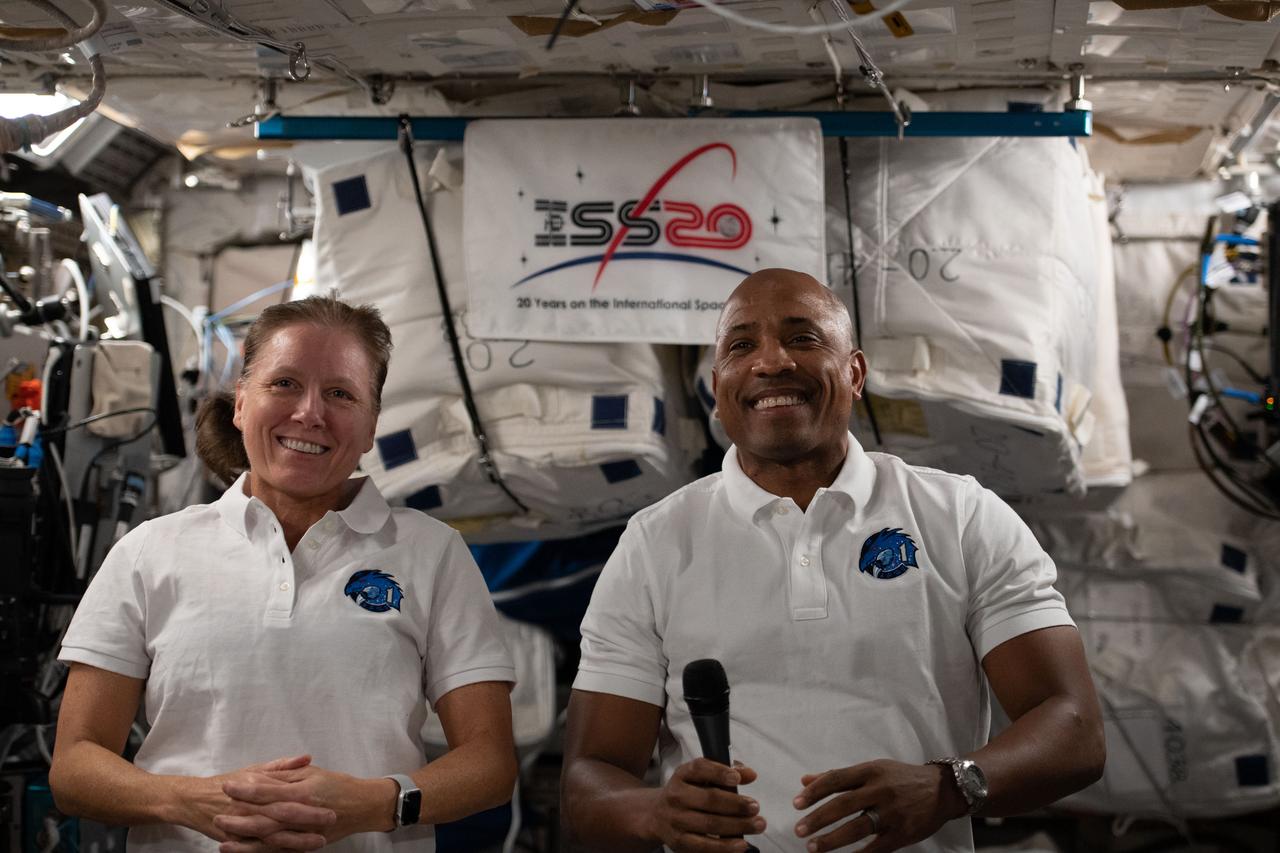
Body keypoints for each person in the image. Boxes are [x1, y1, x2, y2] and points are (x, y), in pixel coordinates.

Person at [560, 269, 1105, 853]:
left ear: (856, 373)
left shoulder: (961, 515)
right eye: (741, 346)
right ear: (719, 391)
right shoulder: (654, 544)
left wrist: (947, 787)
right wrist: (655, 813)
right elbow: (588, 782)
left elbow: (1073, 730)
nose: (772, 362)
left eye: (803, 338)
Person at [49, 296, 517, 852]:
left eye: (341, 393)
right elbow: (74, 767)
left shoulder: (432, 552)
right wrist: (194, 802)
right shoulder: (150, 550)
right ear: (241, 404)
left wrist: (372, 804)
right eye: (285, 384)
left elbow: (490, 763)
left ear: (370, 427)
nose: (310, 413)